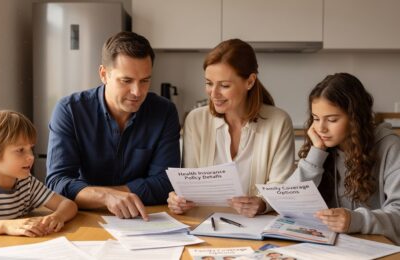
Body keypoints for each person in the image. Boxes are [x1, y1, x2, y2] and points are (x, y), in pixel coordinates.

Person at [46, 31, 181, 220]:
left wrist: (96, 194)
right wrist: (106, 197)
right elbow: (57, 183)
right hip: (84, 219)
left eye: (145, 81)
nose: (137, 91)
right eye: (126, 81)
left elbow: (165, 183)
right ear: (104, 74)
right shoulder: (70, 111)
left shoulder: (164, 112)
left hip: (146, 219)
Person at [167, 39, 295, 217]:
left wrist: (261, 204)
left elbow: (280, 186)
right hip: (202, 225)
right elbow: (189, 183)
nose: (214, 93)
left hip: (255, 227)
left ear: (249, 82)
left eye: (224, 85)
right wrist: (178, 200)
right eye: (209, 83)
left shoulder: (278, 122)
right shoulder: (196, 120)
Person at [288, 72, 400, 245]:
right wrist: (316, 153)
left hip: (377, 247)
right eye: (316, 119)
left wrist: (355, 220)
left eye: (332, 120)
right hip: (333, 247)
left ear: (355, 118)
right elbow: (289, 200)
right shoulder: (324, 147)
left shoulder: (390, 146)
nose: (321, 128)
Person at [0, 110, 77, 253]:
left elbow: (68, 204)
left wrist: (57, 216)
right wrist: (4, 226)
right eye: (20, 150)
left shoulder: (27, 183)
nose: (31, 157)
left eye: (30, 149)